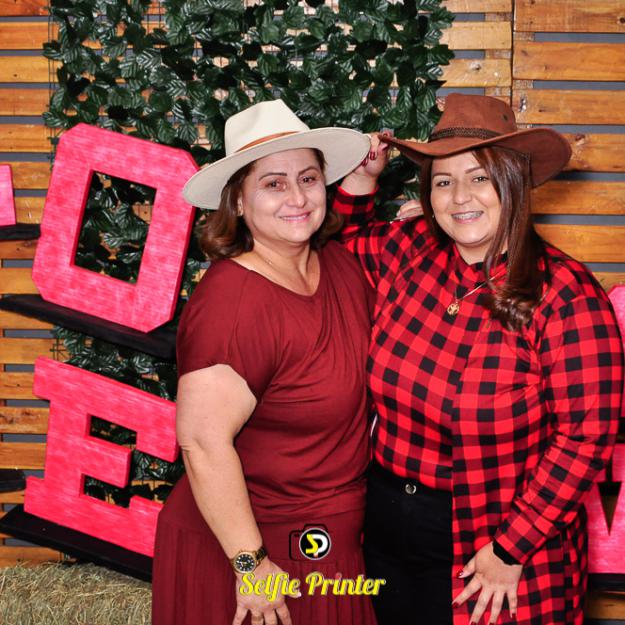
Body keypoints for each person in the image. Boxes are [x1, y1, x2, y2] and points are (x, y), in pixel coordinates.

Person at [334, 93, 624, 625]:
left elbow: (585, 439)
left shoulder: (567, 295)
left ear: (514, 182)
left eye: (480, 177)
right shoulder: (408, 249)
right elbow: (338, 252)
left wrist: (512, 548)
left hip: (495, 537)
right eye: (443, 181)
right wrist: (360, 181)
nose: (460, 197)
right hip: (387, 522)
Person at [151, 99, 380, 625]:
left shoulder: (339, 265)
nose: (297, 198)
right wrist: (249, 564)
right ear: (238, 200)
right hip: (253, 547)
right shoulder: (231, 302)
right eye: (274, 184)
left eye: (308, 178)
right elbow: (202, 443)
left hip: (325, 538)